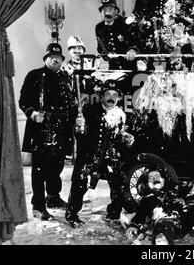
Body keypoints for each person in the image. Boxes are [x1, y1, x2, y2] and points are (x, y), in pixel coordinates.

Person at [19, 43, 78, 220]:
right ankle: (38, 206)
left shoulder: (67, 78)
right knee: (39, 169)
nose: (55, 59)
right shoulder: (34, 75)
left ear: (62, 60)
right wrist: (32, 113)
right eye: (52, 57)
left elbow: (72, 104)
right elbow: (23, 100)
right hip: (41, 129)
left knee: (56, 166)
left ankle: (53, 196)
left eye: (58, 58)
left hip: (62, 129)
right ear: (45, 58)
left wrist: (76, 120)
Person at [65, 80, 135, 228]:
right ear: (101, 96)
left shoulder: (121, 114)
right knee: (80, 183)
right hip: (90, 155)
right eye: (108, 94)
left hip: (110, 156)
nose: (111, 98)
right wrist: (79, 128)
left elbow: (120, 137)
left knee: (119, 184)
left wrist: (126, 137)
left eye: (115, 95)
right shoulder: (89, 111)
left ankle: (114, 213)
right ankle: (72, 214)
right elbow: (79, 136)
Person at [95, 0, 138, 70]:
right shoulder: (99, 27)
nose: (107, 13)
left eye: (110, 9)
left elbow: (135, 42)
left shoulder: (125, 23)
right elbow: (100, 48)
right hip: (112, 67)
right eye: (104, 10)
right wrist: (102, 57)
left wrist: (133, 50)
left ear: (116, 11)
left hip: (129, 66)